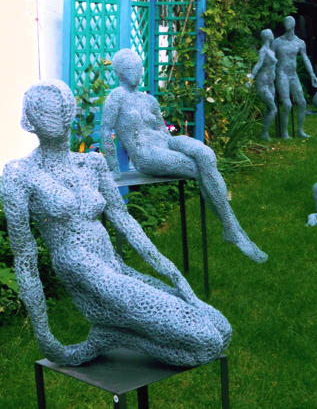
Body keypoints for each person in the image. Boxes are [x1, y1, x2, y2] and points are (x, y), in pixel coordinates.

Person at [1, 79, 232, 367]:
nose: (54, 119)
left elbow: (125, 221)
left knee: (222, 329)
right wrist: (45, 335)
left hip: (114, 266)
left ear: (70, 113)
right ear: (29, 121)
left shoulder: (92, 164)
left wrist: (173, 273)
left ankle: (109, 335)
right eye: (44, 113)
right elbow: (25, 257)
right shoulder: (19, 173)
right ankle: (111, 337)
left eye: (60, 110)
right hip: (83, 270)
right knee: (207, 344)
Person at [101, 49, 268, 264]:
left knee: (206, 155)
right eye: (130, 68)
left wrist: (173, 142)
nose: (137, 72)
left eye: (139, 68)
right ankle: (232, 228)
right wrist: (114, 168)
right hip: (146, 153)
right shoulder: (116, 98)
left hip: (166, 142)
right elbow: (106, 132)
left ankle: (231, 229)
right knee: (197, 168)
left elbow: (162, 129)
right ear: (119, 72)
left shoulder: (149, 100)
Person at [272, 16, 317, 139]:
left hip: (293, 74)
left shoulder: (300, 42)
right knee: (287, 104)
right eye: (285, 21)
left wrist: (312, 74)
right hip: (281, 73)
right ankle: (284, 133)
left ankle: (300, 131)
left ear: (294, 24)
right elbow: (270, 59)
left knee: (302, 103)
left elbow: (305, 59)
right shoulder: (277, 42)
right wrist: (268, 75)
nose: (286, 23)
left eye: (289, 21)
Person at [247, 29, 277, 140]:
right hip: (262, 82)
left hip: (270, 82)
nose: (273, 35)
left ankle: (265, 134)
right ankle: (264, 134)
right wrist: (251, 79)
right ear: (268, 36)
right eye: (271, 33)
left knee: (270, 109)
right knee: (273, 109)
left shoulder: (271, 51)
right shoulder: (263, 50)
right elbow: (258, 65)